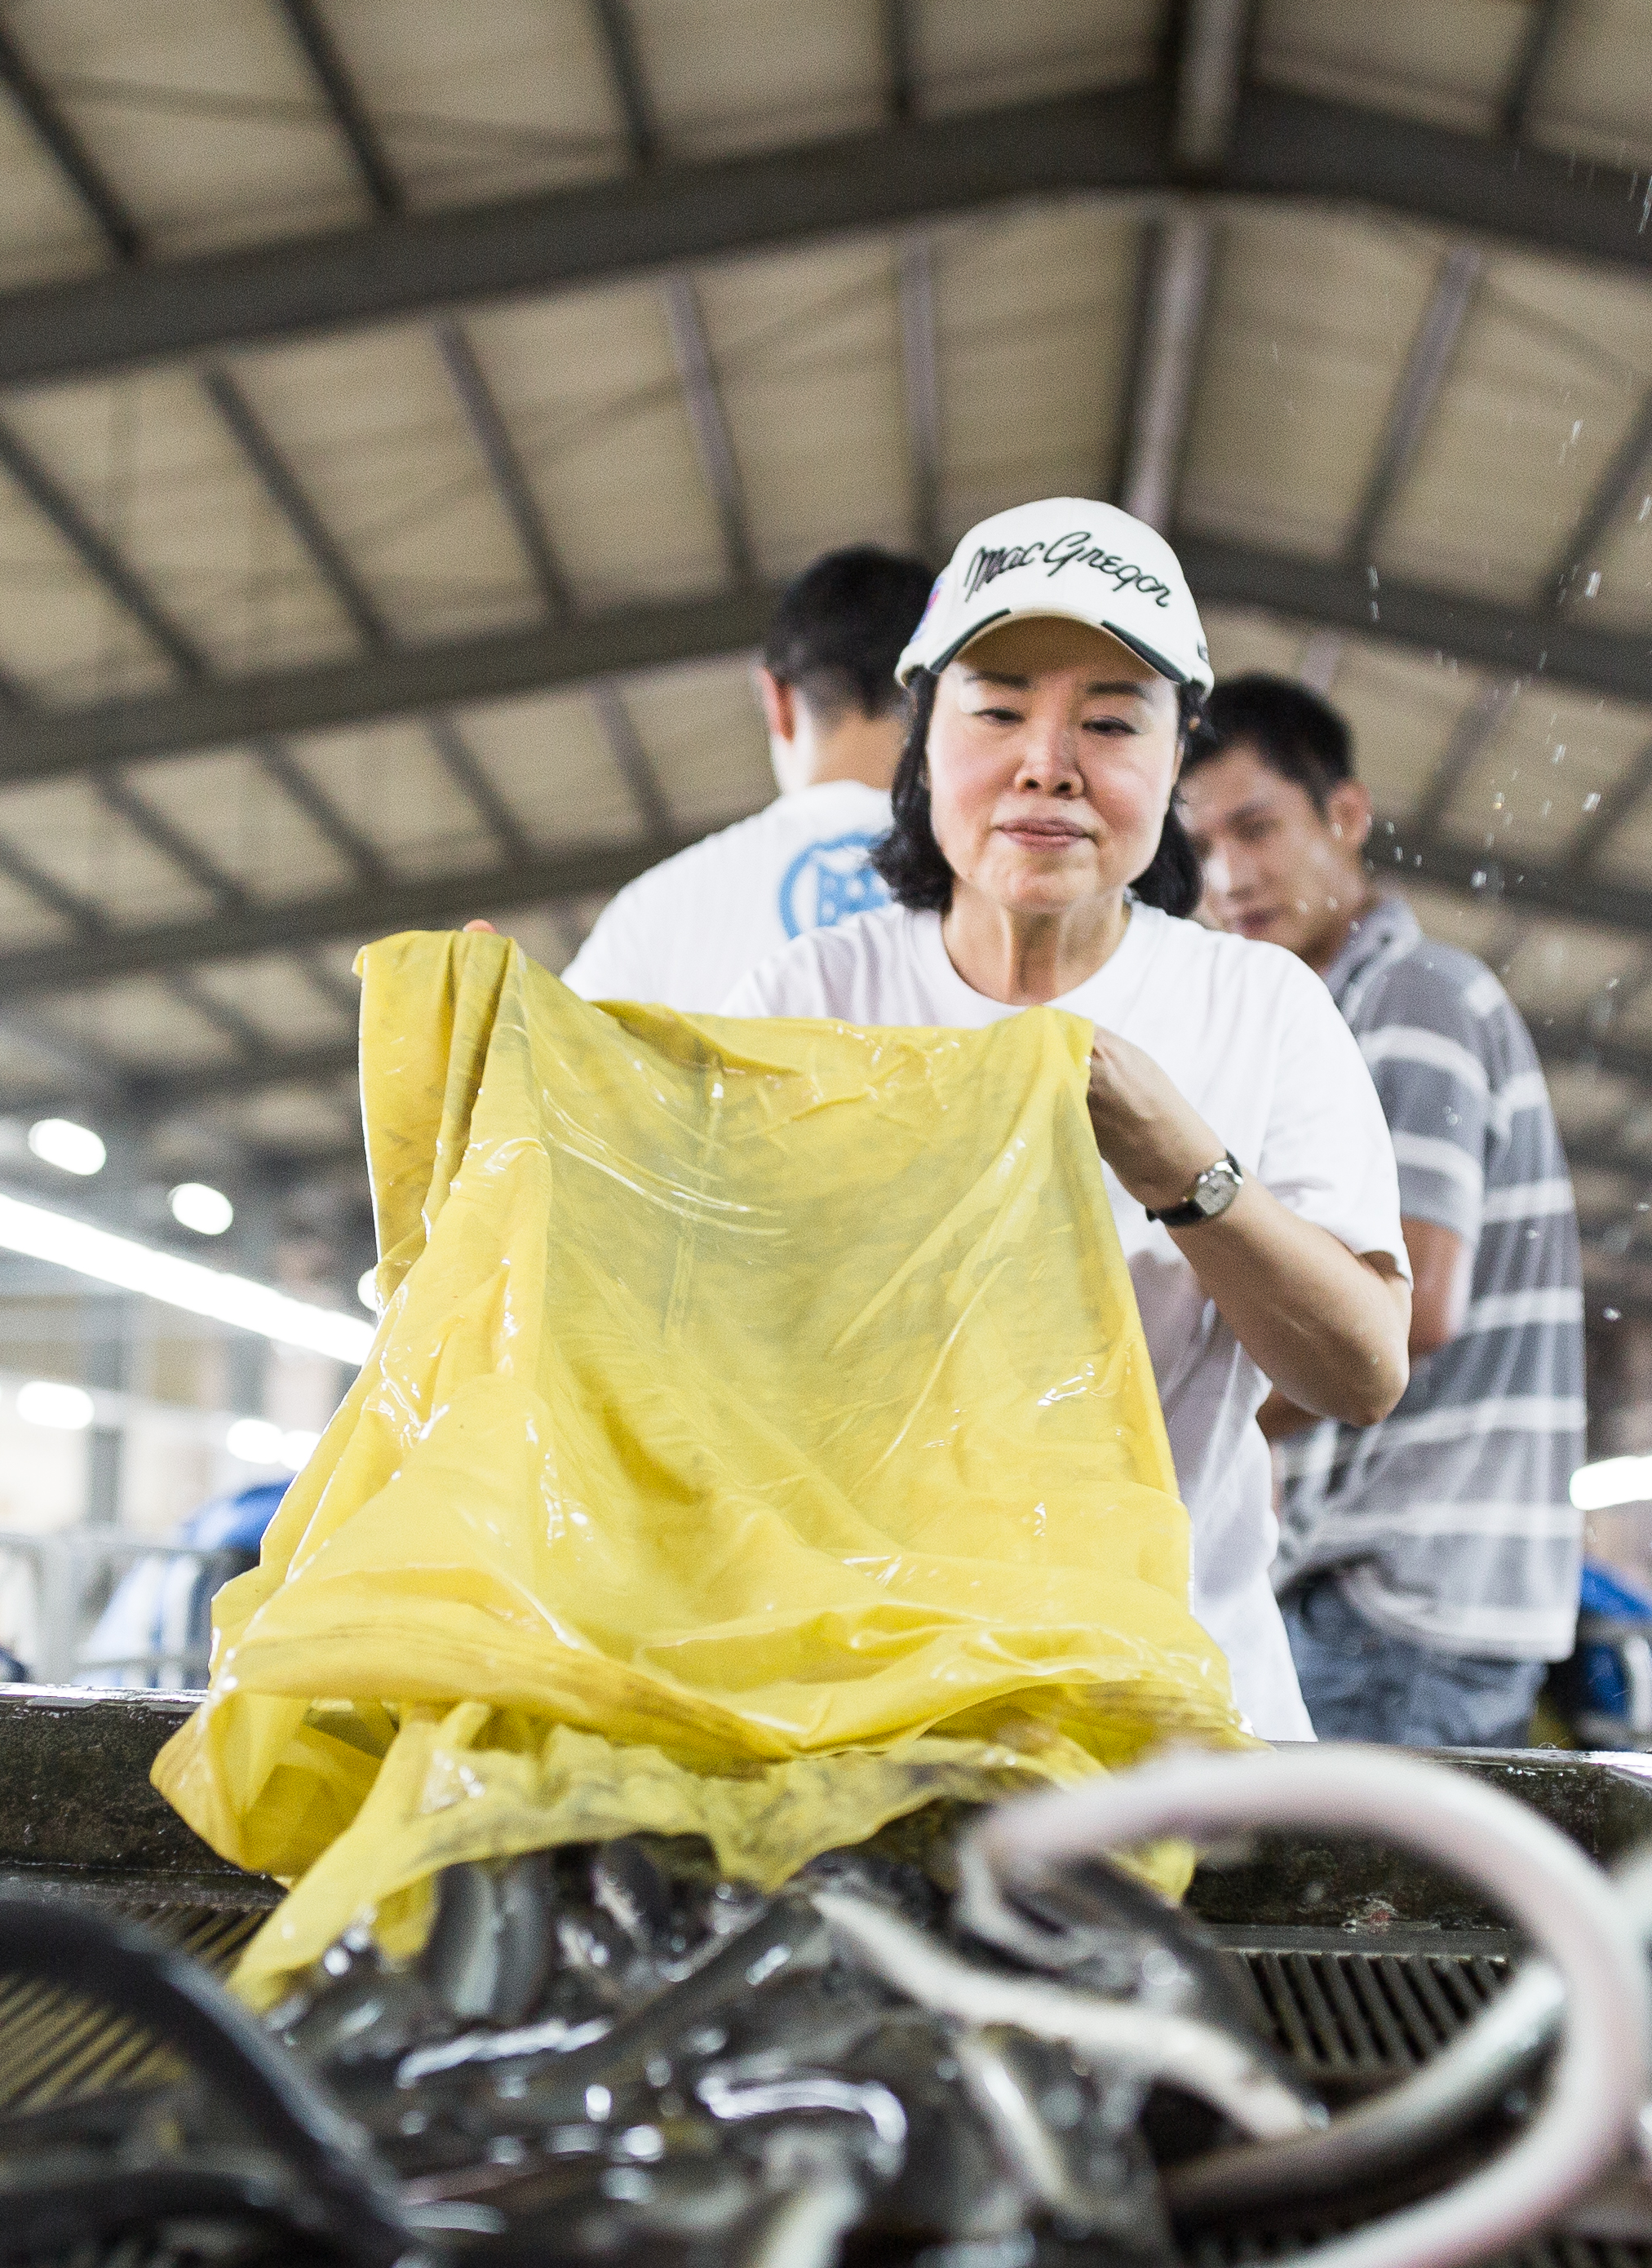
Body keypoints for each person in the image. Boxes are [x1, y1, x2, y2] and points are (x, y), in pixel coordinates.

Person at [738, 501, 1408, 1741]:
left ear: (1175, 761)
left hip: (1182, 1725)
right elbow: (697, 1339)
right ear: (926, 740)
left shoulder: (1256, 1007)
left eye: (1109, 721)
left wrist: (1186, 1168)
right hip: (875, 1722)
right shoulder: (813, 998)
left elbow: (1361, 1368)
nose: (1049, 762)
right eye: (997, 711)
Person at [1181, 672, 1584, 1749]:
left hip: (1399, 1600)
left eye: (1258, 829)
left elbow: (1407, 1305)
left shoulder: (1416, 1001)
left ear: (1345, 817)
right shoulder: (1329, 1019)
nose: (1229, 875)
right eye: (1203, 843)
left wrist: (1184, 1424)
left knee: (1347, 1914)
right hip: (1396, 1596)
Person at [565, 544, 934, 1011]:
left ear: (776, 700)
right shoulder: (1006, 889)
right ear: (942, 697)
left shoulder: (658, 910)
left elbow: (551, 1066)